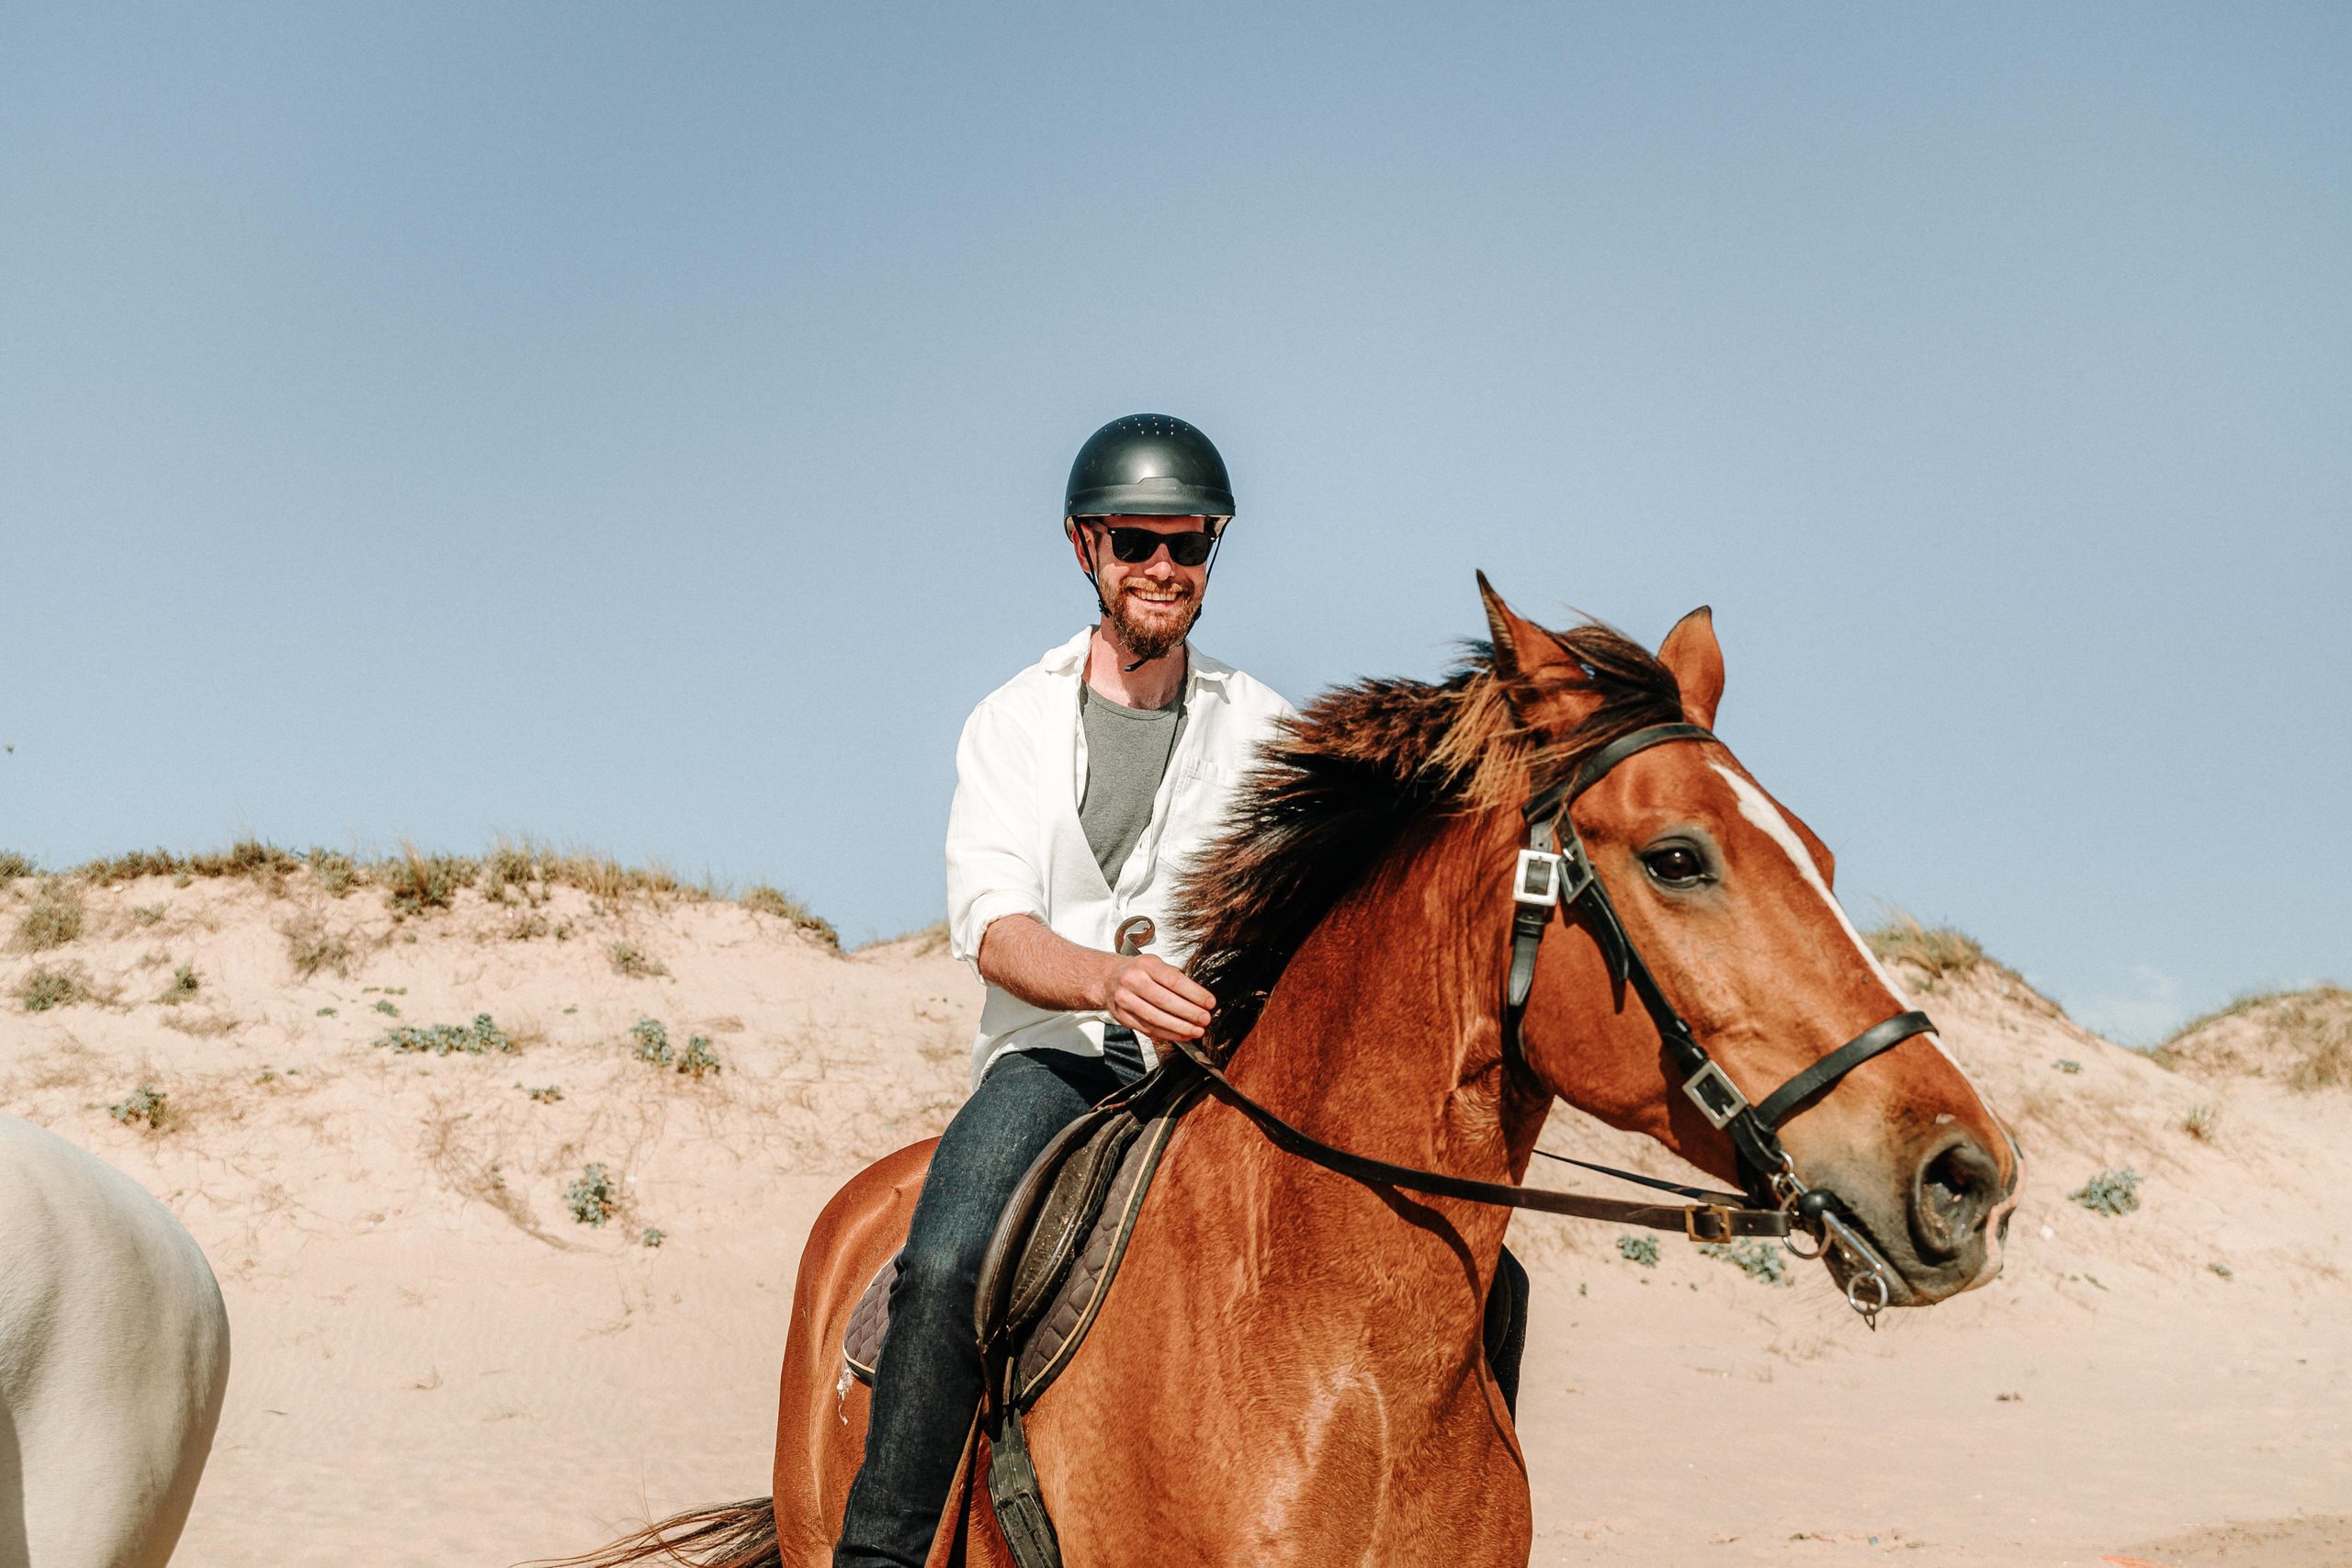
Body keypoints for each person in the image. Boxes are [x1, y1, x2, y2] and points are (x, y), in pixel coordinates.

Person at [833, 414, 1295, 1568]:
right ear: (1086, 548)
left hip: (1217, 1071)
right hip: (1054, 1057)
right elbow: (994, 930)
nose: (1163, 568)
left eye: (1188, 544)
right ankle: (880, 1555)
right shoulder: (1011, 720)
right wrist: (1108, 981)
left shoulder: (1267, 726)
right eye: (1136, 542)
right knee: (947, 1262)